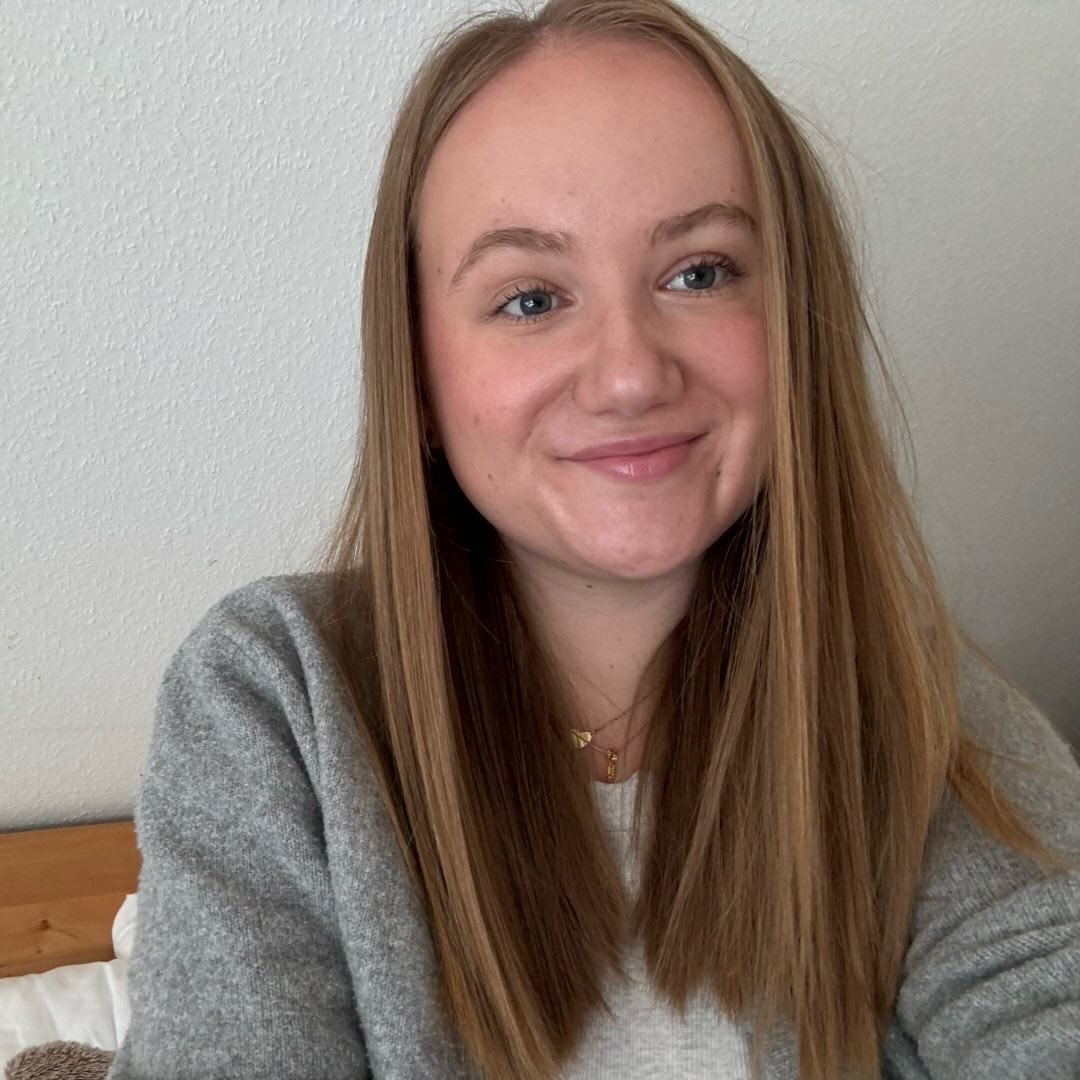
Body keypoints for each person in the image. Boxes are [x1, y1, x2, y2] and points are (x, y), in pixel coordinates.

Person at [105, 1, 1080, 1077]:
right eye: (530, 299)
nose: (628, 376)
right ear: (419, 377)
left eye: (700, 272)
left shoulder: (924, 701)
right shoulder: (276, 697)